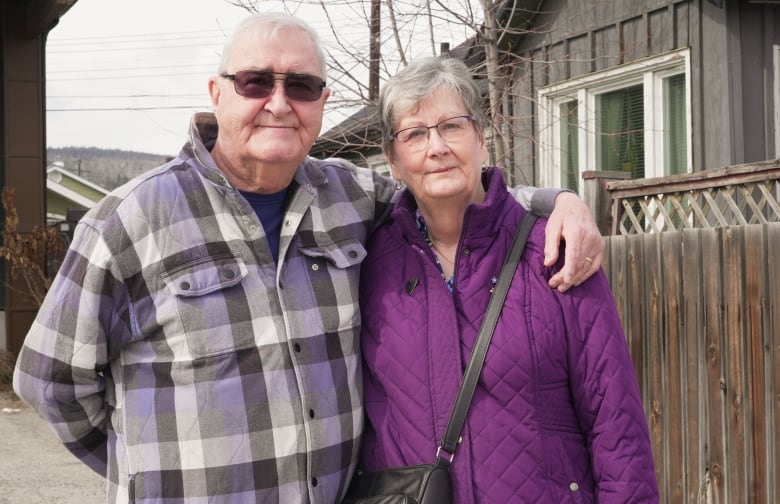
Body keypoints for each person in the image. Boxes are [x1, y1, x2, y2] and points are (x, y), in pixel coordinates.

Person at [14, 13, 604, 504]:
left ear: (321, 102)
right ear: (217, 94)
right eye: (255, 83)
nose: (278, 103)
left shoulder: (350, 197)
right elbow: (49, 381)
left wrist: (559, 202)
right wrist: (143, 468)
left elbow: (448, 189)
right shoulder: (130, 220)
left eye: (299, 86)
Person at [358, 56, 659, 503]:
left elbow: (615, 424)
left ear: (481, 139)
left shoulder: (554, 250)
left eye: (452, 126)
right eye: (415, 133)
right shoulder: (369, 265)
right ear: (393, 160)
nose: (436, 146)